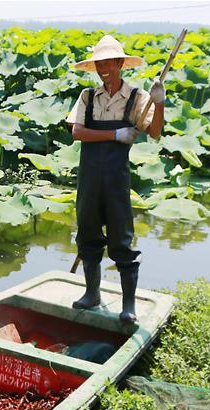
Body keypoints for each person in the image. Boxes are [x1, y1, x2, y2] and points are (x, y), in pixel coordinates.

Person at [66, 34, 165, 324]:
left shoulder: (137, 98)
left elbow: (155, 132)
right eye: (99, 63)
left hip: (116, 179)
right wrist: (115, 134)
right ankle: (92, 293)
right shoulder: (87, 97)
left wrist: (159, 103)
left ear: (121, 63)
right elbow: (77, 133)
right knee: (88, 234)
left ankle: (129, 305)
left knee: (122, 238)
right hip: (89, 179)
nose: (104, 67)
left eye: (110, 61)